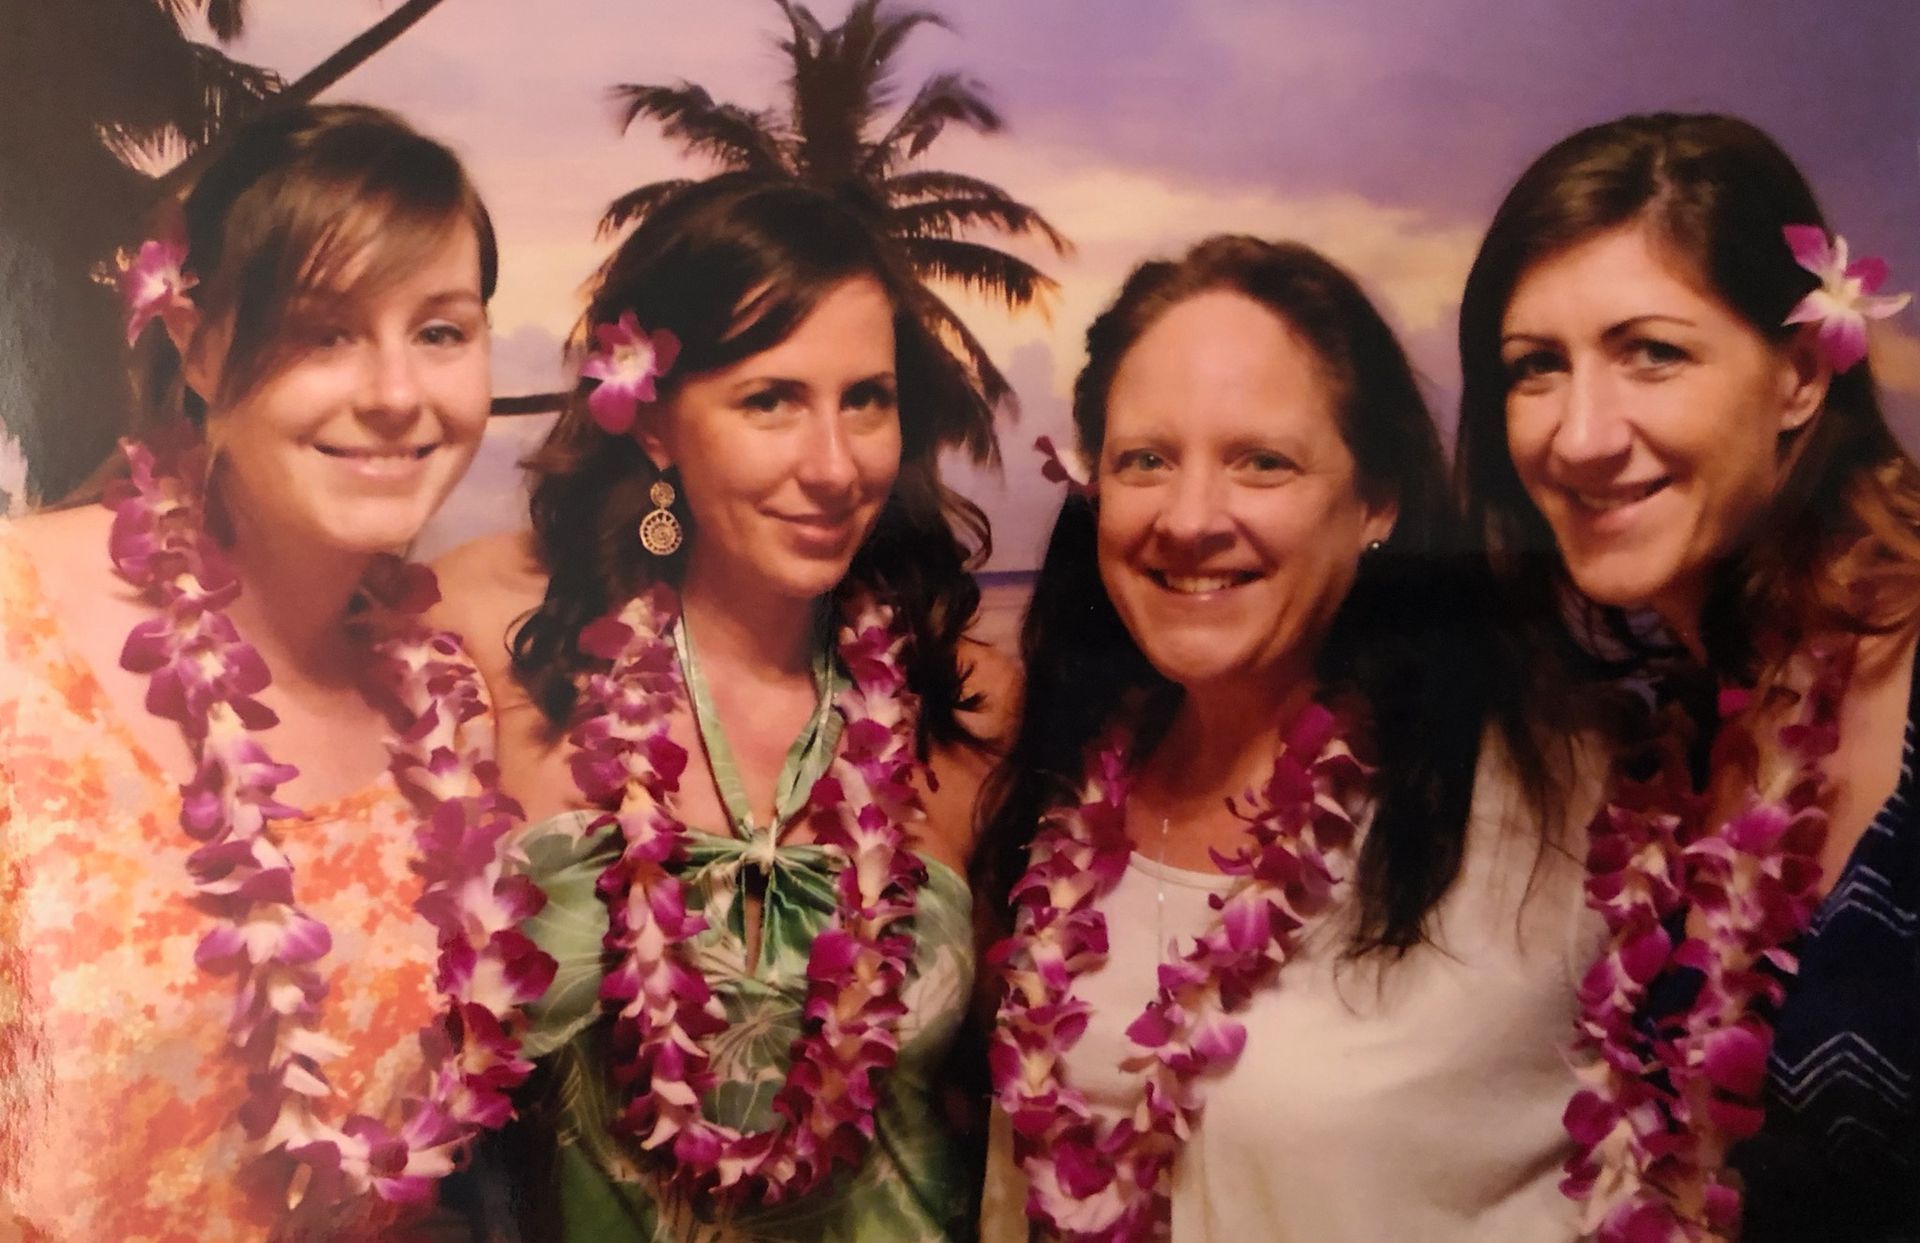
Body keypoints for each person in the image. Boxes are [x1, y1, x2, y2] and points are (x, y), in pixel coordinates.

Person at [974, 234, 1598, 1243]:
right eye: (1146, 460)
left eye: (1262, 461)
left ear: (1377, 499)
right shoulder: (1064, 791)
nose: (1189, 518)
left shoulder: (1547, 804)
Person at [0, 103, 549, 1241]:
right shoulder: (16, 625)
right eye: (324, 332)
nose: (396, 392)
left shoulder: (447, 717)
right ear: (199, 346)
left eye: (441, 331)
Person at [433, 172, 1011, 1240]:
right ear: (654, 424)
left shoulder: (968, 704)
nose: (834, 466)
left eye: (866, 399)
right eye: (770, 399)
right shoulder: (503, 653)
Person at [1454, 111, 1919, 1242]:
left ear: (1801, 374)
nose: (1580, 435)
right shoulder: (1691, 725)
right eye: (1535, 367)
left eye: (1652, 352)